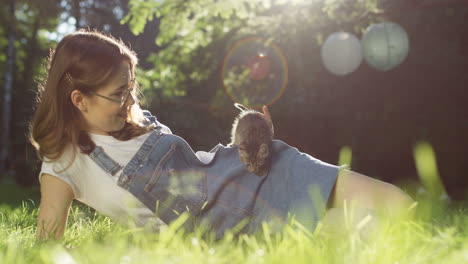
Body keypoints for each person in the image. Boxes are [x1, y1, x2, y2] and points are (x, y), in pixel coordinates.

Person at [29, 29, 414, 241]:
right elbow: (46, 247)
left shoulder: (133, 117)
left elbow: (195, 167)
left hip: (250, 171)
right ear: (78, 99)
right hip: (227, 224)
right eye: (118, 93)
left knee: (396, 205)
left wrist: (255, 132)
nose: (129, 98)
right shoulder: (64, 164)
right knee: (364, 237)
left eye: (130, 86)